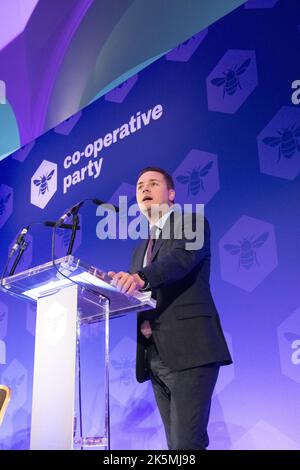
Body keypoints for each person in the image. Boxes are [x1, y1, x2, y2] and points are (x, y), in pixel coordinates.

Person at [108, 167, 232, 450]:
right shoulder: (139, 250)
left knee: (187, 446)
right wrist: (114, 287)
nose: (144, 190)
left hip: (190, 350)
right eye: (140, 186)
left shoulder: (193, 223)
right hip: (154, 356)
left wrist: (140, 277)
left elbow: (180, 259)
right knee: (174, 446)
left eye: (153, 184)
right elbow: (141, 294)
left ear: (171, 194)